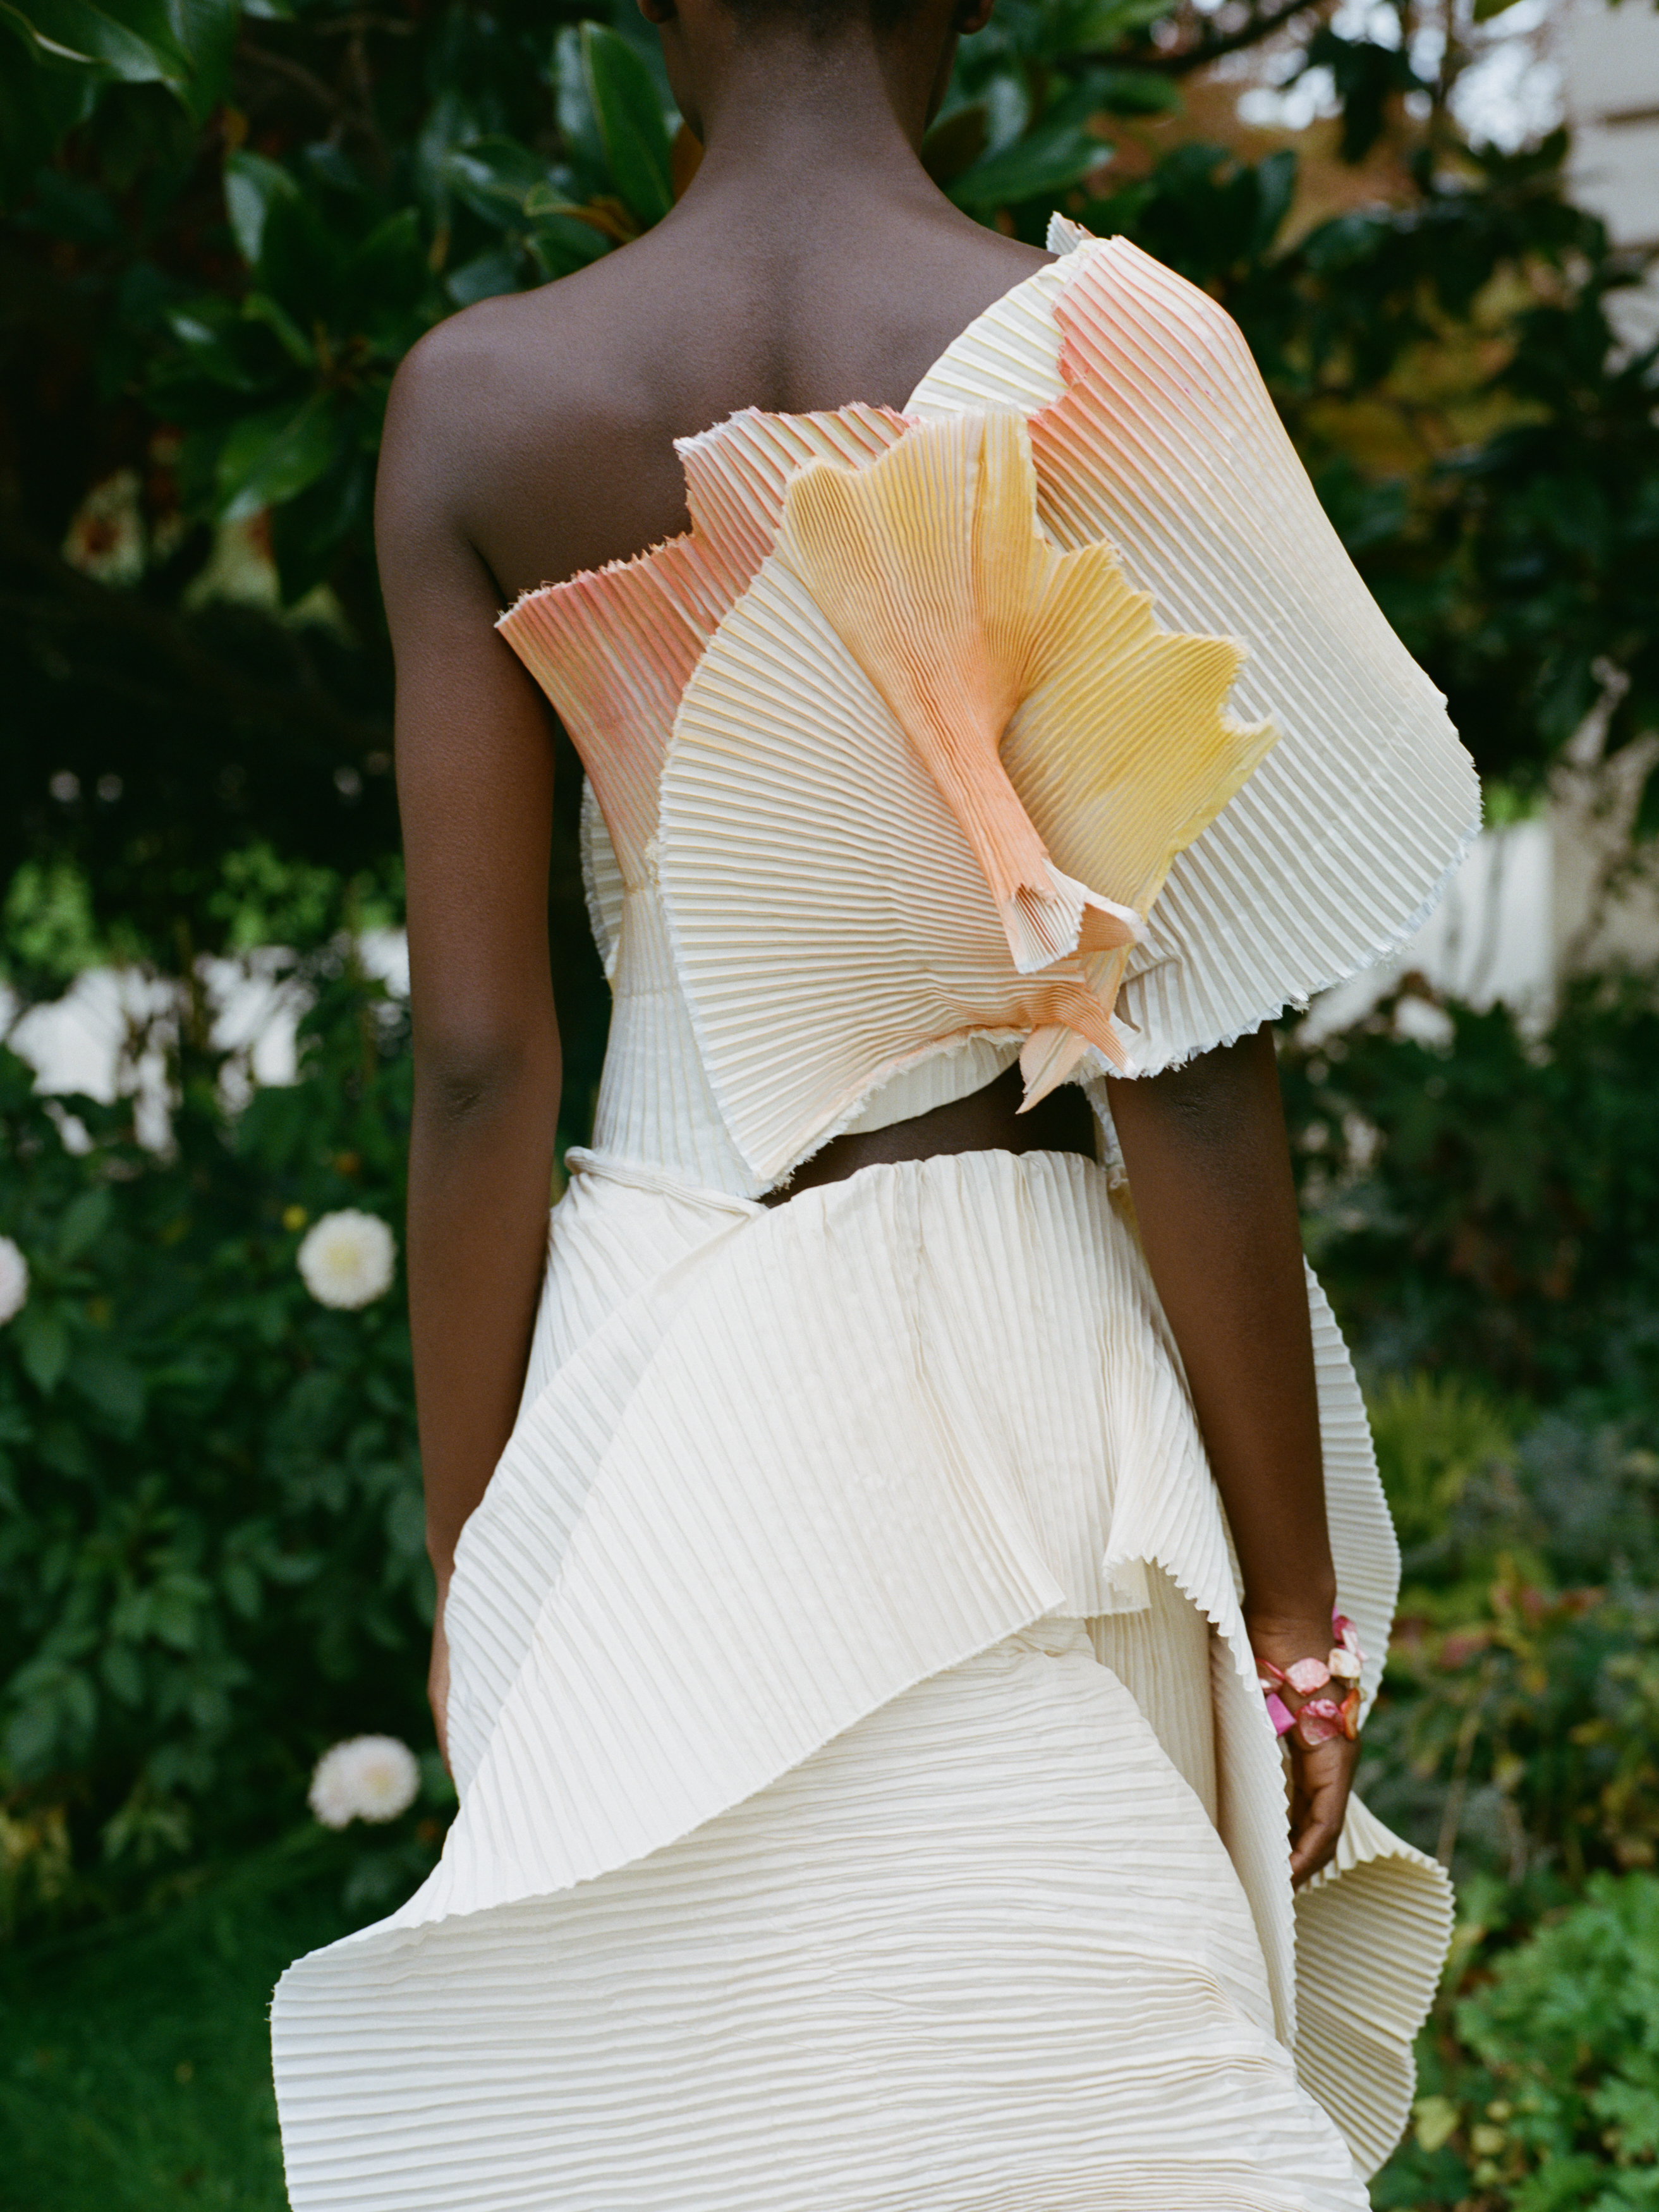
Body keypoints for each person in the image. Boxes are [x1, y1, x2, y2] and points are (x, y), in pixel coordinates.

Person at [271, 1, 1479, 2204]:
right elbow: (1188, 1055)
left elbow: (475, 1058)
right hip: (1017, 1331)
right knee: (1078, 2077)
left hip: (656, 1337)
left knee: (680, 2100)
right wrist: (1295, 1619)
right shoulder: (1100, 356)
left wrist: (479, 1543)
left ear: (655, 14)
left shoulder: (481, 402)